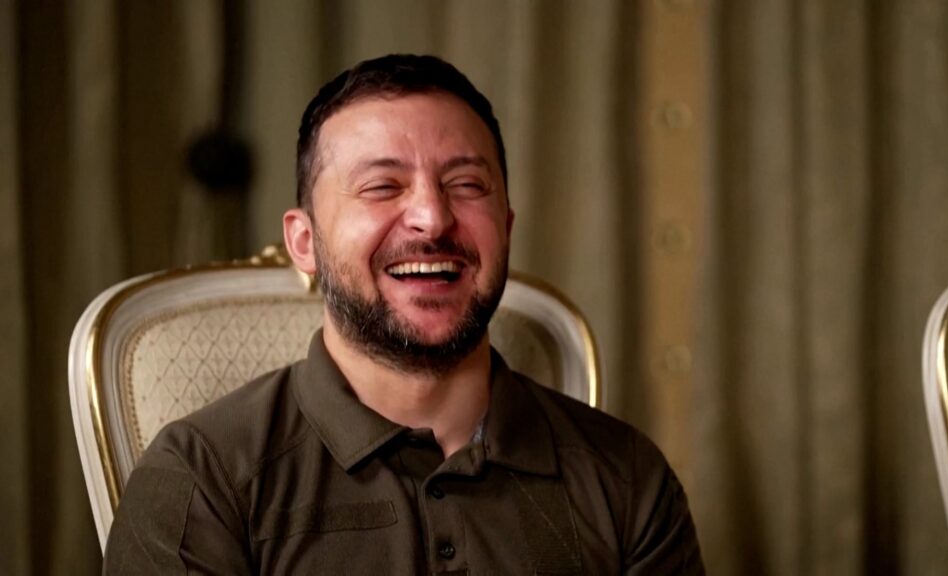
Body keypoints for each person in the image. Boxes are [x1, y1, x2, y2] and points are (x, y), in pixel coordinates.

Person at [104, 54, 704, 575]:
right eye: (382, 187)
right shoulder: (199, 479)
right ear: (304, 242)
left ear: (505, 228)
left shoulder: (628, 477)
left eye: (466, 184)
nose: (432, 218)